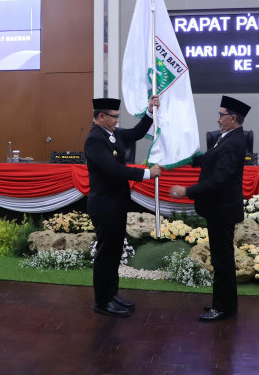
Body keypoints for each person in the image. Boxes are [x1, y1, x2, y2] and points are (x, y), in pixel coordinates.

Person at [170, 95, 250, 321]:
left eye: (221, 115)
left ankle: (224, 308)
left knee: (222, 260)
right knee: (220, 258)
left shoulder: (234, 142)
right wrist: (185, 159)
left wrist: (187, 191)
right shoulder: (226, 137)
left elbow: (220, 179)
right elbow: (208, 159)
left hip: (222, 210)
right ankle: (222, 304)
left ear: (233, 118)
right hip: (218, 209)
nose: (217, 119)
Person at [85, 95, 162, 317]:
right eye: (114, 117)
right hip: (104, 204)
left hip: (116, 202)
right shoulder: (94, 139)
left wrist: (150, 111)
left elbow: (137, 133)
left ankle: (112, 294)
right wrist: (146, 173)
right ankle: (102, 301)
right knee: (105, 253)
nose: (118, 121)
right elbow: (112, 169)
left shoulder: (112, 134)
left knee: (114, 251)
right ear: (101, 116)